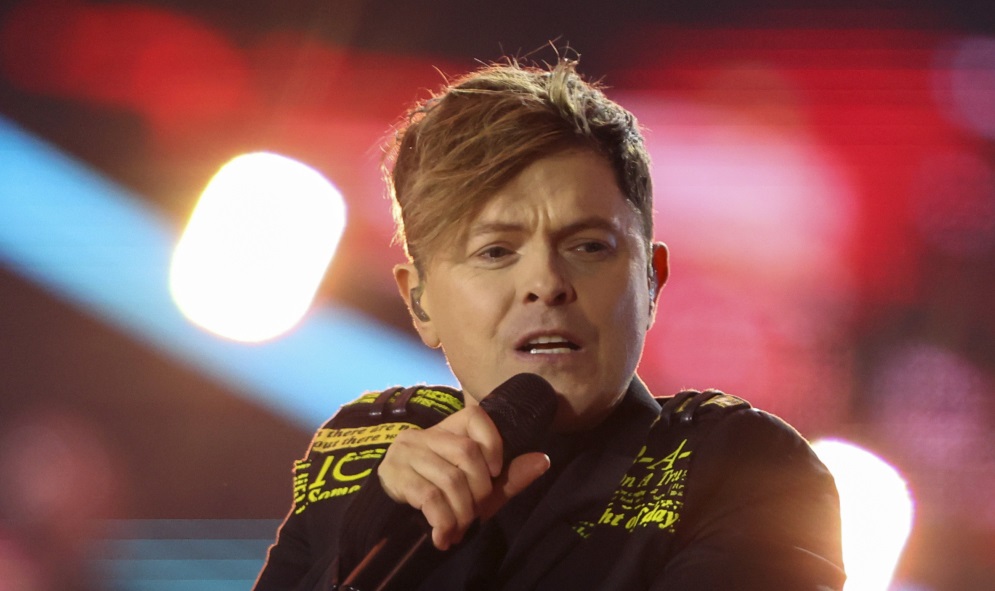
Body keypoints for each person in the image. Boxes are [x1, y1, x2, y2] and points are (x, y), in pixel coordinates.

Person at [254, 56, 846, 590]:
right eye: (495, 251)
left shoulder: (740, 466)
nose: (546, 282)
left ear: (651, 282)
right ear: (420, 302)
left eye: (588, 246)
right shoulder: (361, 454)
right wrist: (366, 551)